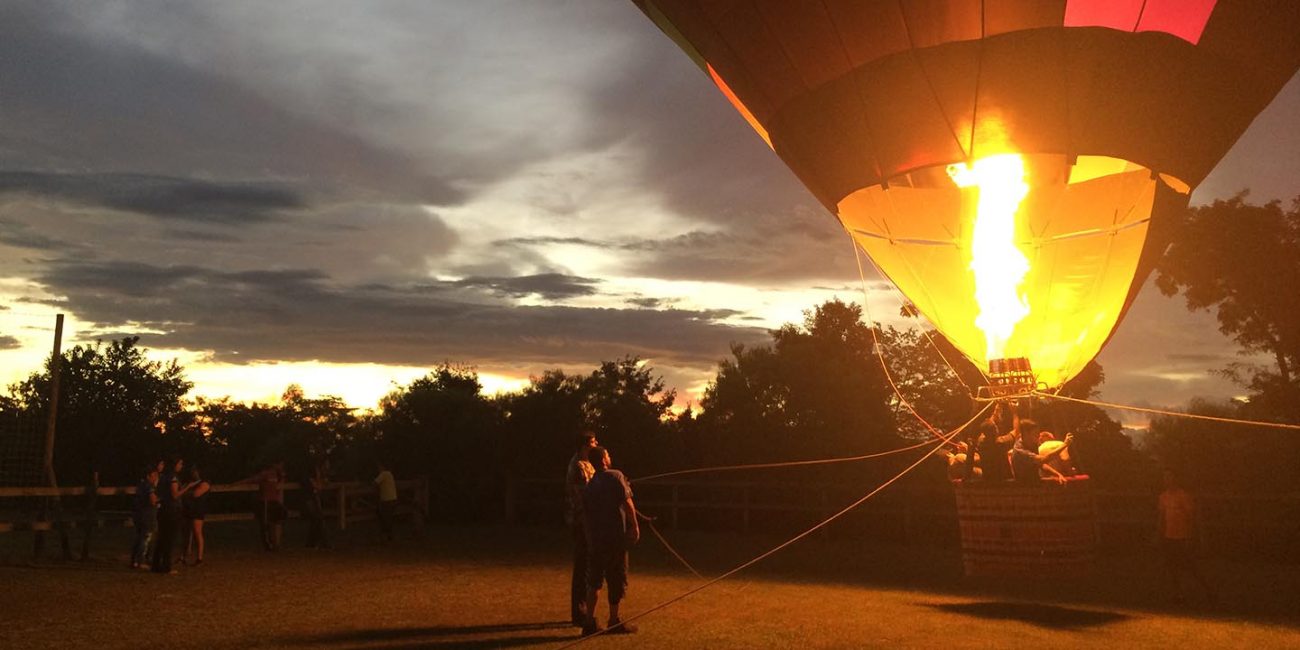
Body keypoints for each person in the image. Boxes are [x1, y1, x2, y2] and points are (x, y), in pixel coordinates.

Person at [581, 446, 640, 636]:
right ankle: (614, 621)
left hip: (597, 539)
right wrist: (635, 525)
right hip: (615, 538)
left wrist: (590, 539)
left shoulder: (590, 486)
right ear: (604, 460)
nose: (609, 456)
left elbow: (586, 516)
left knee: (594, 580)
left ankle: (589, 622)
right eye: (607, 454)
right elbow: (627, 503)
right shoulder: (616, 476)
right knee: (616, 577)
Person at [1157, 469, 1215, 604]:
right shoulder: (1163, 497)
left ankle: (1207, 589)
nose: (1167, 481)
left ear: (1175, 480)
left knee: (1190, 565)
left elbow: (1191, 516)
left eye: (1169, 478)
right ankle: (1178, 593)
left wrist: (1191, 534)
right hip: (1169, 536)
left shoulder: (1183, 496)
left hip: (1182, 536)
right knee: (1172, 566)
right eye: (1165, 478)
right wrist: (1158, 533)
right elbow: (1161, 517)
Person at [566, 432, 598, 626]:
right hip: (580, 521)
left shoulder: (588, 463)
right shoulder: (577, 466)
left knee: (587, 565)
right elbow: (583, 497)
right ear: (584, 446)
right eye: (593, 442)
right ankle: (578, 611)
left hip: (588, 520)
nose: (596, 445)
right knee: (581, 566)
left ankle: (583, 608)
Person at [1009, 417, 1073, 483]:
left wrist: (1058, 474)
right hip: (1024, 486)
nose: (1038, 435)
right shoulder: (1020, 450)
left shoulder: (1032, 443)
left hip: (1034, 482)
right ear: (1026, 434)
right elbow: (1043, 459)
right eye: (1035, 433)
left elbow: (1040, 464)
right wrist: (1064, 444)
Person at [243, 461, 286, 551]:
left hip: (273, 501)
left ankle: (274, 544)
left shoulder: (278, 475)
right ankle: (269, 545)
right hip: (266, 501)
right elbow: (252, 480)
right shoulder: (266, 474)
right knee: (266, 523)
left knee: (274, 523)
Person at [151, 456, 183, 574]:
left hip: (163, 510)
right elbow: (175, 495)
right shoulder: (173, 477)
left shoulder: (162, 477)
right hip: (171, 510)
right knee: (169, 539)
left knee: (162, 538)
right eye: (180, 464)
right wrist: (186, 488)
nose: (181, 466)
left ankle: (155, 564)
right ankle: (166, 566)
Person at [180, 465, 211, 566]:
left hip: (198, 510)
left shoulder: (205, 483)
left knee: (197, 533)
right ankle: (183, 556)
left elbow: (196, 494)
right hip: (188, 509)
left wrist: (186, 491)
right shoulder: (190, 483)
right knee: (186, 533)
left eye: (195, 471)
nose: (193, 473)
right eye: (192, 471)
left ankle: (199, 558)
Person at [130, 464, 160, 570]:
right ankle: (141, 561)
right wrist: (158, 501)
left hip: (139, 514)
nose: (156, 477)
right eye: (154, 475)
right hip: (148, 515)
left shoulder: (141, 485)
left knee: (139, 538)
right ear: (148, 476)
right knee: (146, 538)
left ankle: (134, 561)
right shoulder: (149, 486)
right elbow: (152, 500)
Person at [300, 458, 330, 549]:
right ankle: (320, 543)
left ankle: (312, 543)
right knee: (318, 519)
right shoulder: (310, 477)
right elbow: (318, 487)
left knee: (317, 520)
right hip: (309, 499)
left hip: (313, 499)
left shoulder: (318, 477)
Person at [374, 460, 398, 543]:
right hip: (393, 498)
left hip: (387, 499)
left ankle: (386, 537)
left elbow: (375, 483)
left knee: (385, 518)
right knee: (389, 518)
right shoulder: (390, 474)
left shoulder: (384, 474)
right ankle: (389, 537)